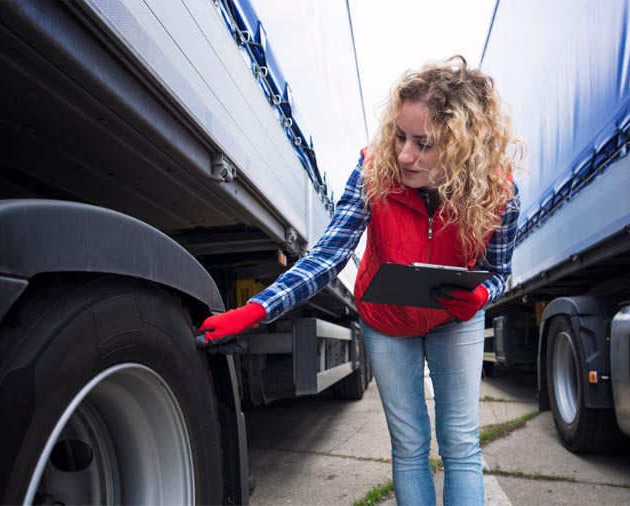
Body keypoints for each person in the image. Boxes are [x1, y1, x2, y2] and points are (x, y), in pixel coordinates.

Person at [200, 55, 522, 505]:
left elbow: (501, 271)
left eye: (424, 144)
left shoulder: (499, 194)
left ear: (463, 148)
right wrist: (257, 309)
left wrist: (482, 294)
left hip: (454, 320)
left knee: (460, 443)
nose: (404, 154)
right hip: (387, 319)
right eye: (399, 136)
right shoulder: (375, 172)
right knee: (409, 446)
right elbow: (329, 254)